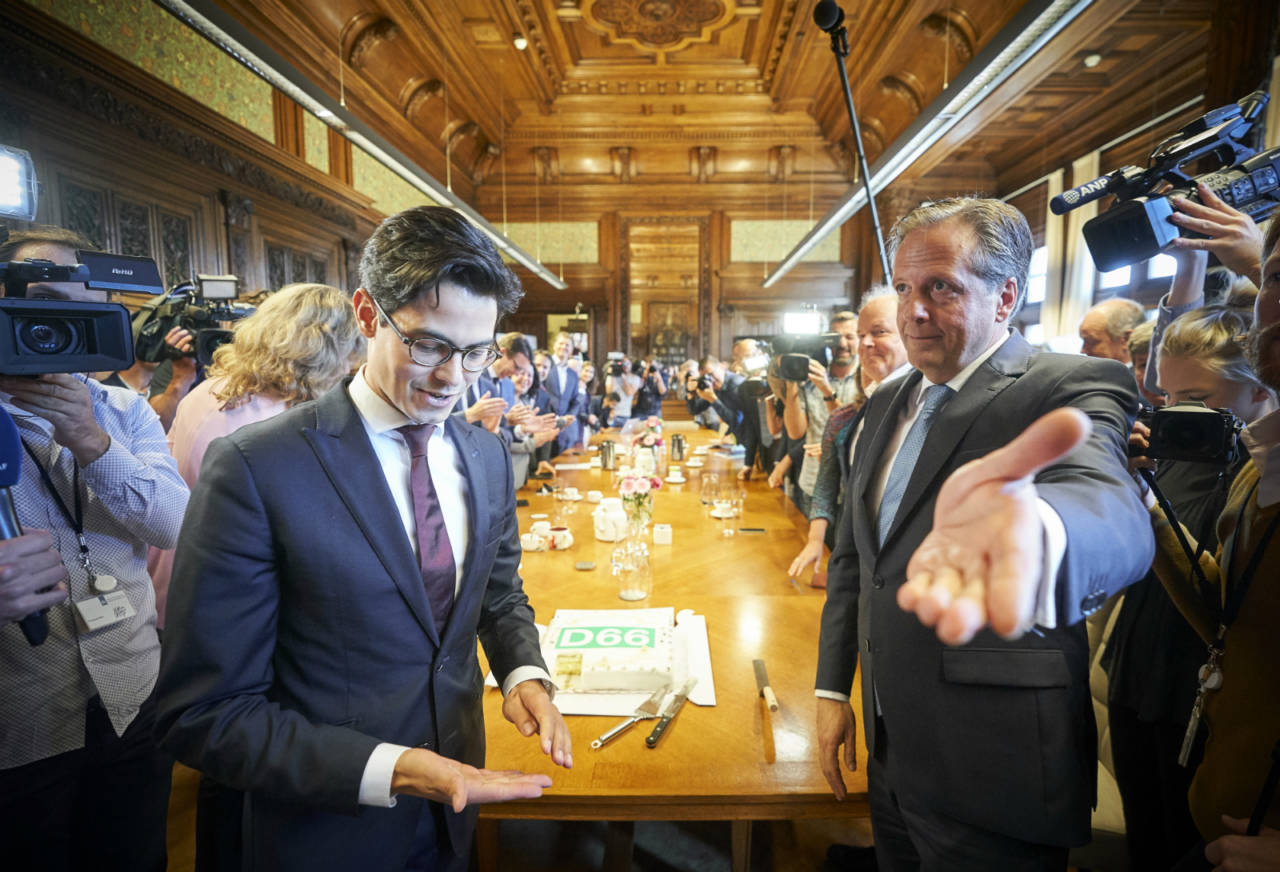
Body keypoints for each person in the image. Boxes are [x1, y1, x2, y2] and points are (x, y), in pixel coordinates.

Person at [155, 206, 572, 872]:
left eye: (475, 352)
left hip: (455, 811)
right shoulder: (260, 467)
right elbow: (204, 713)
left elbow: (497, 594)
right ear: (368, 314)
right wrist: (393, 768)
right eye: (430, 345)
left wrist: (523, 671)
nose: (452, 377)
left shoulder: (484, 456)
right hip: (324, 831)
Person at [815, 197, 1153, 869]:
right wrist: (833, 690)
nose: (914, 310)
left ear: (1005, 296)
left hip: (992, 769)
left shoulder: (1070, 385)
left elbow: (1111, 508)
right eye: (906, 287)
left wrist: (1042, 535)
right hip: (890, 751)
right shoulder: (886, 402)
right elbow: (857, 560)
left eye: (940, 288)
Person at [0, 226, 190, 872]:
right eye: (40, 303)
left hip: (130, 690)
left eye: (76, 308)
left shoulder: (122, 411)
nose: (59, 326)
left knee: (134, 855)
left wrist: (92, 443)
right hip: (19, 715)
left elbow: (177, 525)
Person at [1107, 304, 1273, 872]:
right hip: (1144, 663)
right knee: (1145, 838)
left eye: (1199, 399)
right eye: (1170, 400)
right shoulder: (1169, 450)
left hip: (1200, 689)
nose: (1179, 416)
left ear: (1257, 387)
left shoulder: (1256, 472)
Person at [1143, 217, 1280, 868]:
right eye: (1272, 279)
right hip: (1223, 809)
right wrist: (1144, 501)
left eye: (1194, 400)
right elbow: (1227, 616)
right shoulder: (1258, 471)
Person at [788, 289, 909, 584]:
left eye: (878, 332)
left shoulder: (929, 404)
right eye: (861, 335)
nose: (865, 344)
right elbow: (827, 484)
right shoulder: (846, 417)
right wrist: (816, 539)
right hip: (853, 547)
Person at [783, 312, 861, 517]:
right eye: (835, 338)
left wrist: (827, 391)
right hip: (812, 483)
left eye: (850, 337)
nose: (842, 344)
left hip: (849, 486)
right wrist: (792, 383)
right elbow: (795, 432)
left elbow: (855, 429)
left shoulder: (867, 378)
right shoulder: (812, 377)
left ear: (861, 338)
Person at [543, 332, 585, 453]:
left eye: (568, 345)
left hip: (567, 430)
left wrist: (569, 418)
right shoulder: (545, 366)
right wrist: (555, 419)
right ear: (554, 346)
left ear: (572, 349)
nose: (564, 347)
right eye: (561, 343)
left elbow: (576, 400)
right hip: (547, 425)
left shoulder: (573, 374)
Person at [1079, 297, 1146, 362]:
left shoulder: (1144, 373)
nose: (1082, 351)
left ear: (1127, 339)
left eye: (1091, 342)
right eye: (1084, 341)